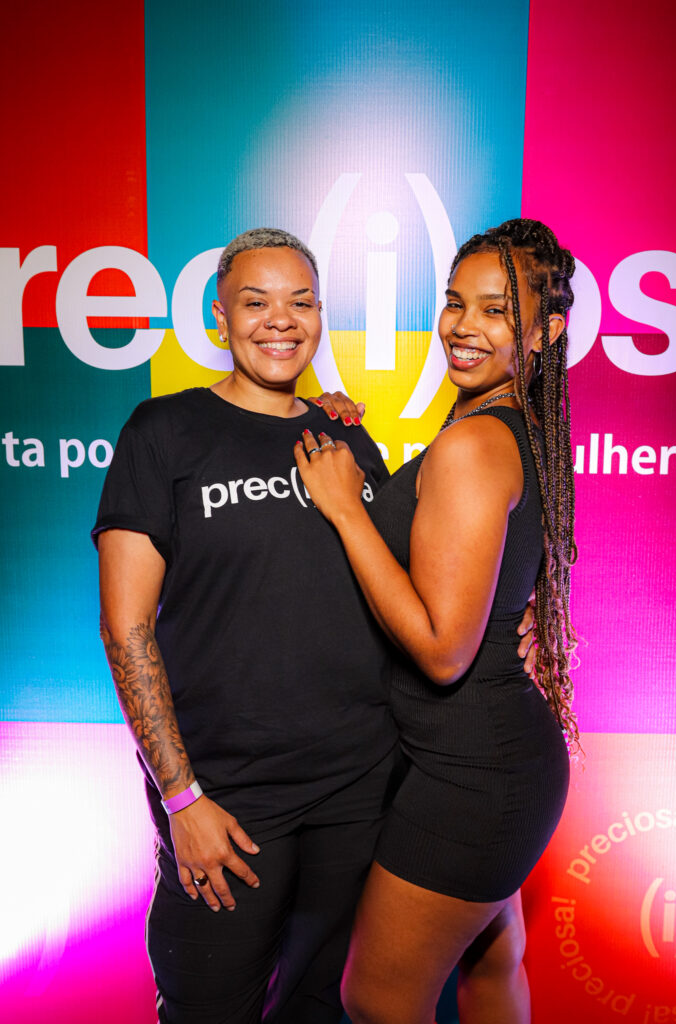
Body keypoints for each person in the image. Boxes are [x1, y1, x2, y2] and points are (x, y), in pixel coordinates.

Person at [93, 228, 401, 1024]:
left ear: (320, 314)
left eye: (300, 302)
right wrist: (181, 797)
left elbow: (393, 587)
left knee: (322, 1005)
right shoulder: (163, 431)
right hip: (228, 800)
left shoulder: (344, 433)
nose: (280, 320)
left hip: (358, 788)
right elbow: (126, 628)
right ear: (219, 318)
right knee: (208, 1008)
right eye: (255, 302)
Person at [294, 218, 578, 1024]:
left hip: (472, 776)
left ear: (544, 332)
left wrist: (346, 510)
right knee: (490, 969)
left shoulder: (473, 445)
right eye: (456, 303)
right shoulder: (514, 430)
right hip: (495, 764)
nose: (463, 326)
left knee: (374, 998)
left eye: (496, 310)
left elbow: (442, 651)